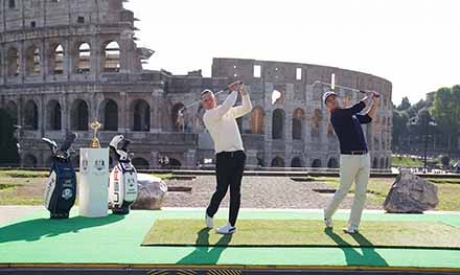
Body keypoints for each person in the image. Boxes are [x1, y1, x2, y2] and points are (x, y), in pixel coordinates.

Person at [323, 90, 380, 234]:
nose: (333, 101)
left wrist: (375, 103)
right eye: (329, 101)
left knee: (361, 193)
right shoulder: (336, 116)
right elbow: (357, 108)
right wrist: (368, 97)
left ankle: (353, 225)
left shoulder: (350, 115)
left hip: (364, 157)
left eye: (334, 98)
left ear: (339, 99)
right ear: (327, 106)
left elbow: (367, 118)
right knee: (343, 190)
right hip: (349, 158)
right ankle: (327, 214)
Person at [201, 81, 252, 234]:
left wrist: (243, 91)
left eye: (210, 98)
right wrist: (234, 91)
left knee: (235, 191)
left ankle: (231, 224)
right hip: (223, 157)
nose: (209, 101)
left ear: (214, 99)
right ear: (203, 104)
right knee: (221, 189)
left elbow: (247, 108)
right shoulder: (209, 116)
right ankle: (210, 212)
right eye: (205, 100)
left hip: (238, 155)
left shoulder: (227, 111)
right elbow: (224, 108)